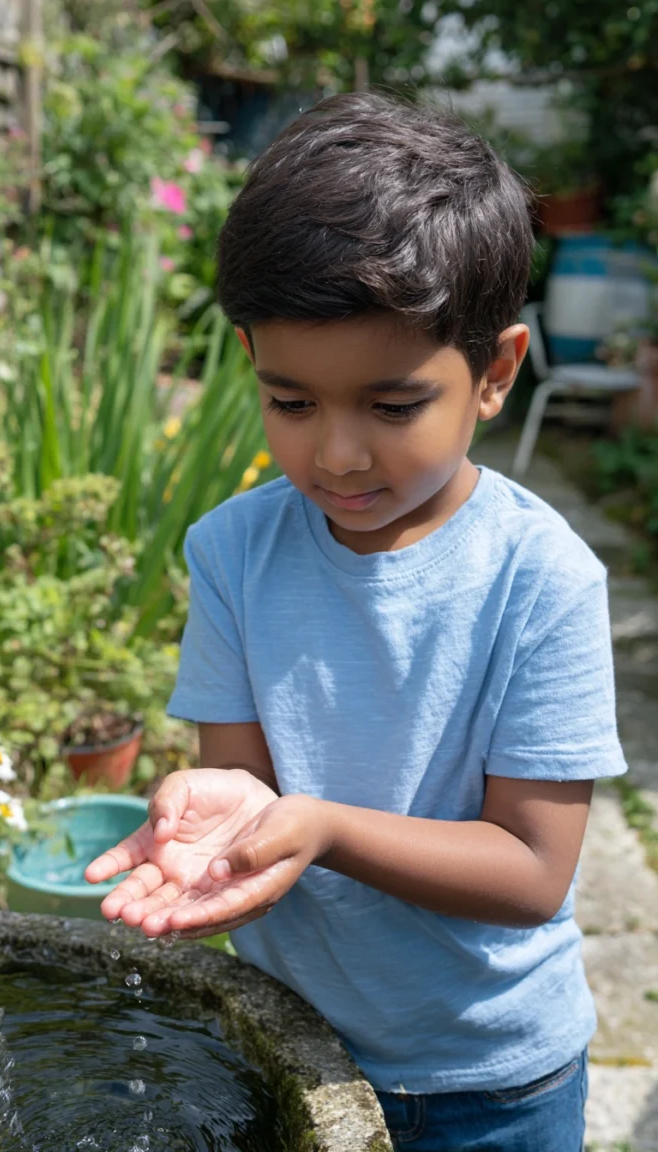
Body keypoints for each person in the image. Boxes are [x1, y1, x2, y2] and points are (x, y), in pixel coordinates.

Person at [85, 93, 626, 1151]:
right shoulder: (237, 552)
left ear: (496, 373)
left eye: (390, 407)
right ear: (248, 358)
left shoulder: (541, 579)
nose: (335, 455)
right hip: (297, 1044)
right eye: (291, 403)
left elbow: (530, 871)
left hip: (493, 1079)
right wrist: (220, 822)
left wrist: (322, 825)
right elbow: (250, 796)